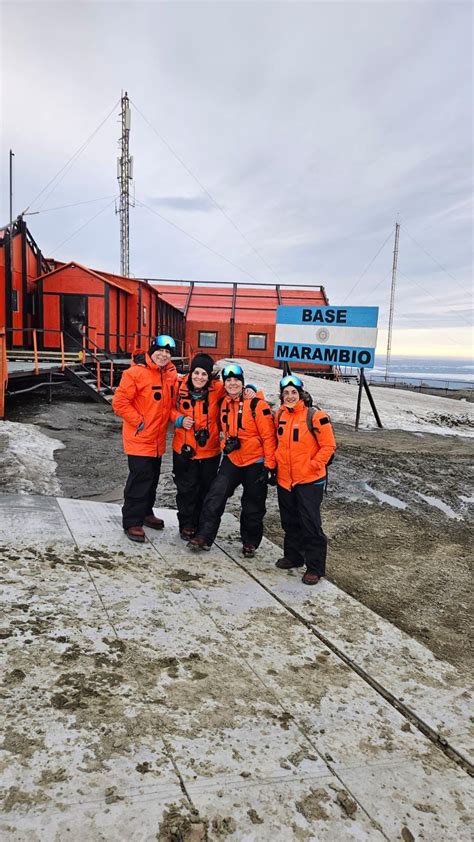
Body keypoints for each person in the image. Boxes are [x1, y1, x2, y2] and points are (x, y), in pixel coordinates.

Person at [187, 362, 277, 558]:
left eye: (237, 380)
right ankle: (204, 536)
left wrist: (269, 466)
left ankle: (250, 542)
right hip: (233, 460)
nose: (232, 383)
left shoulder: (257, 405)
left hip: (255, 462)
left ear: (243, 383)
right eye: (228, 380)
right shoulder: (224, 403)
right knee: (215, 496)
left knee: (253, 504)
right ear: (224, 384)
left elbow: (269, 437)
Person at [112, 334, 178, 542]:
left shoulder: (169, 375)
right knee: (139, 480)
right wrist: (139, 421)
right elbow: (119, 403)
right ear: (152, 351)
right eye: (160, 351)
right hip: (140, 438)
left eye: (168, 353)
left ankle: (146, 512)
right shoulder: (135, 373)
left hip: (157, 440)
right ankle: (132, 521)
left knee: (152, 479)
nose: (164, 355)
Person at [274, 374, 336, 585]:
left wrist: (312, 466)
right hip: (285, 479)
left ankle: (315, 567)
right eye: (286, 393)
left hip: (309, 480)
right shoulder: (280, 415)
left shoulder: (316, 416)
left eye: (293, 392)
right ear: (281, 396)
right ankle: (293, 556)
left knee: (310, 524)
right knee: (289, 521)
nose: (290, 396)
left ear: (301, 394)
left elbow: (328, 446)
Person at [170, 353, 225, 540]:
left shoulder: (218, 388)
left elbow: (237, 390)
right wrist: (179, 419)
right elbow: (167, 407)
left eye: (204, 374)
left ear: (209, 376)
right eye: (197, 372)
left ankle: (202, 525)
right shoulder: (179, 386)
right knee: (186, 490)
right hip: (184, 449)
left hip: (209, 450)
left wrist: (252, 391)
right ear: (191, 371)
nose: (199, 377)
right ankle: (186, 524)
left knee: (206, 490)